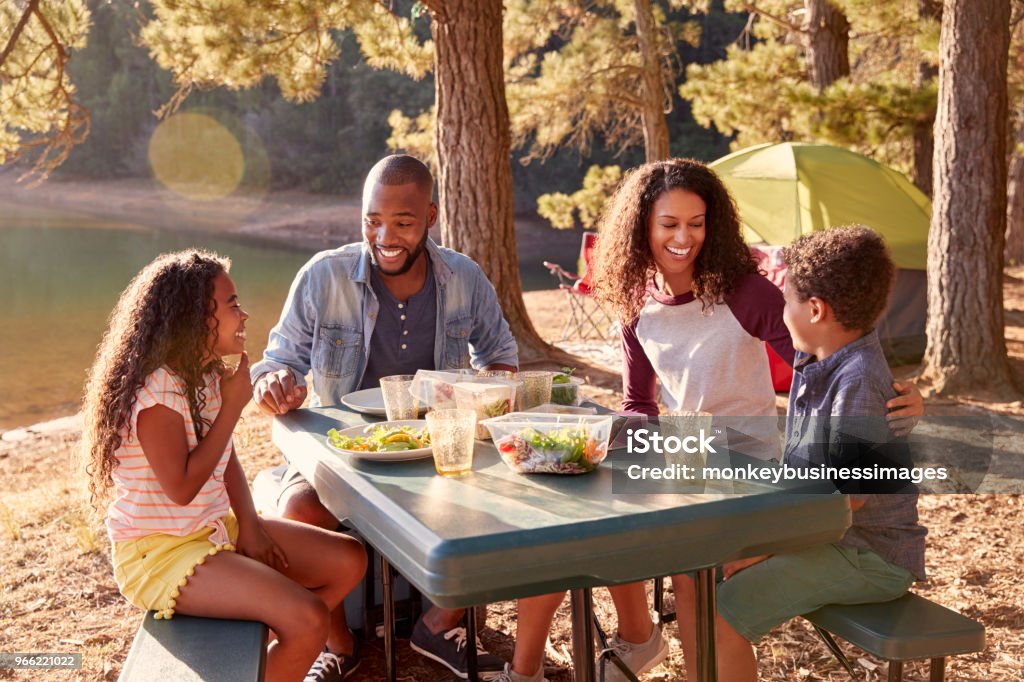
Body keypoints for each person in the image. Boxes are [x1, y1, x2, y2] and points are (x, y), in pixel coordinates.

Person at [492, 159, 923, 682]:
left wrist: (899, 403)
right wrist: (594, 433)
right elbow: (640, 405)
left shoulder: (748, 294)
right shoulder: (635, 300)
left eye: (696, 224)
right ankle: (630, 642)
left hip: (753, 466)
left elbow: (828, 356)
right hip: (689, 453)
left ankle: (695, 664)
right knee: (585, 520)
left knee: (690, 569)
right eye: (669, 224)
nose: (684, 237)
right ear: (641, 227)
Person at [251, 154, 517, 679]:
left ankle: (438, 625)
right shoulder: (322, 276)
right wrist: (274, 384)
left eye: (403, 222)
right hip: (340, 453)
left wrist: (478, 394)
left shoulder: (464, 278)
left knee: (515, 501)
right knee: (303, 509)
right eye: (373, 220)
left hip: (438, 451)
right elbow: (278, 360)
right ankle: (337, 643)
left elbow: (501, 357)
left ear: (432, 217)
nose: (385, 235)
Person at [82, 250, 367, 682]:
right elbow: (181, 488)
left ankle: (273, 659)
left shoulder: (206, 373)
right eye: (232, 304)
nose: (245, 314)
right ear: (194, 317)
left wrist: (249, 524)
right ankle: (289, 645)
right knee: (308, 618)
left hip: (212, 529)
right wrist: (234, 406)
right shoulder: (158, 390)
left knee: (348, 560)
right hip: (160, 553)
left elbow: (224, 458)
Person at [670, 225, 927, 680]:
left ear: (815, 309)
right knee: (697, 569)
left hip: (867, 554)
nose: (780, 312)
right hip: (827, 536)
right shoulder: (820, 359)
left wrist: (765, 550)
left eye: (785, 301)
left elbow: (848, 500)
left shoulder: (859, 381)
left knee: (723, 610)